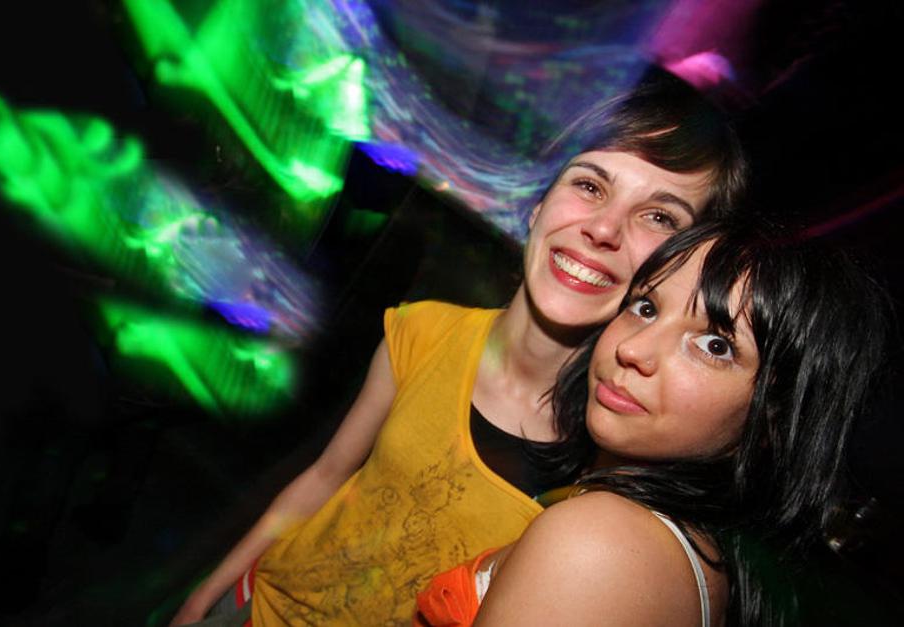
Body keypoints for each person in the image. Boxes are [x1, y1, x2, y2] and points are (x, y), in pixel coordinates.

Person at [170, 68, 747, 626]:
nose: (604, 229)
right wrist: (210, 592)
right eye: (589, 184)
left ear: (688, 265)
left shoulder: (617, 463)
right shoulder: (423, 331)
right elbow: (326, 477)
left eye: (658, 217)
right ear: (537, 201)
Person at [414, 220, 892, 626]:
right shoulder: (683, 545)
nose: (632, 349)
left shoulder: (600, 542)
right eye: (645, 307)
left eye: (715, 345)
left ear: (774, 416)